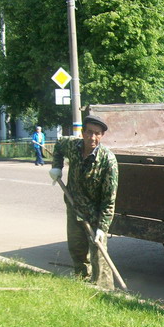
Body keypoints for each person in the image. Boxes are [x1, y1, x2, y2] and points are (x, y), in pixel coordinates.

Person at [49, 115, 119, 289]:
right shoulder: (73, 145)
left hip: (95, 215)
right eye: (89, 132)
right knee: (77, 250)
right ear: (82, 132)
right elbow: (58, 145)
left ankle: (104, 291)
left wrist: (102, 227)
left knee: (99, 258)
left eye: (97, 134)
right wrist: (57, 167)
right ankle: (82, 286)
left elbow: (108, 200)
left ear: (102, 136)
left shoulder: (108, 161)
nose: (92, 137)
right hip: (74, 207)